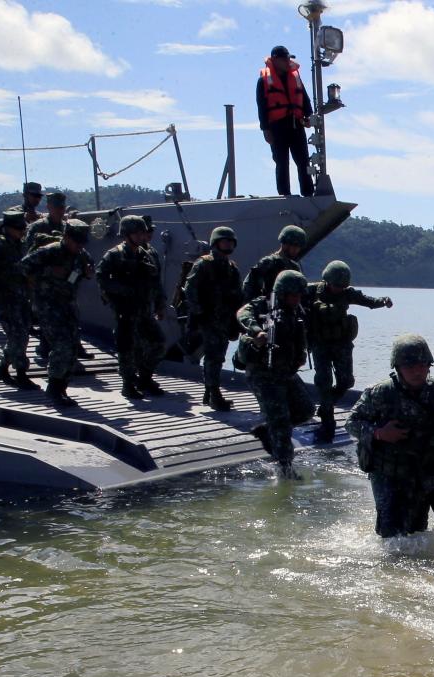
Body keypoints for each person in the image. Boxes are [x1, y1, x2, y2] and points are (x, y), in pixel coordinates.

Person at [347, 335, 434, 537]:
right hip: (388, 473)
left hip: (423, 473)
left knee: (417, 531)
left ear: (429, 365)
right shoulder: (380, 393)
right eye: (410, 366)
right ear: (398, 367)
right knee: (390, 532)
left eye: (422, 365)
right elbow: (352, 423)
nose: (417, 371)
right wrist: (379, 433)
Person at [236, 269, 316, 479]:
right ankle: (285, 469)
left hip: (286, 371)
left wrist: (301, 354)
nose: (297, 298)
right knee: (281, 422)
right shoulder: (263, 305)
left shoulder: (296, 310)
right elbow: (242, 313)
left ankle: (266, 430)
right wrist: (256, 331)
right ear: (282, 292)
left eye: (299, 295)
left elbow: (301, 334)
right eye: (293, 295)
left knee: (306, 410)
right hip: (262, 373)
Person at [305, 259, 393, 442]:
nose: (339, 289)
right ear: (327, 280)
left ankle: (326, 405)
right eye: (337, 285)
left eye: (343, 286)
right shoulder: (312, 291)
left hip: (341, 344)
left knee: (346, 381)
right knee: (324, 382)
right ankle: (327, 421)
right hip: (320, 344)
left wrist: (383, 301)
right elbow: (291, 298)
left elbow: (367, 301)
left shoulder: (347, 293)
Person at [21, 219, 95, 408]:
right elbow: (23, 268)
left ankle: (62, 386)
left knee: (72, 348)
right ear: (66, 237)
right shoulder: (49, 252)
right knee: (61, 344)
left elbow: (90, 267)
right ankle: (53, 387)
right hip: (48, 305)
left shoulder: (81, 254)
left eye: (81, 242)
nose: (79, 245)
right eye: (76, 241)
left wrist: (87, 272)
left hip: (68, 305)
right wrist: (48, 272)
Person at [96, 215, 167, 401]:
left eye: (143, 232)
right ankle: (128, 384)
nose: (142, 236)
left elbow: (156, 281)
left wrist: (160, 304)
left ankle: (144, 377)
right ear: (127, 234)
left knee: (158, 343)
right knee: (127, 347)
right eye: (138, 233)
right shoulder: (114, 255)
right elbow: (101, 277)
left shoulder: (148, 254)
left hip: (145, 309)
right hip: (126, 310)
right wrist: (122, 290)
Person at [183, 226, 246, 411]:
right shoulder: (204, 264)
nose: (228, 244)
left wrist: (237, 319)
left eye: (230, 241)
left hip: (224, 319)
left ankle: (209, 392)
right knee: (213, 356)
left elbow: (238, 295)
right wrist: (199, 312)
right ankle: (214, 394)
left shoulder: (231, 267)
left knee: (218, 356)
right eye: (224, 241)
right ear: (216, 243)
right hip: (209, 318)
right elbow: (190, 289)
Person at [0, 209, 38, 390]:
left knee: (21, 333)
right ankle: (21, 374)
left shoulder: (18, 244)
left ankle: (3, 368)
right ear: (8, 228)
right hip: (6, 297)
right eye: (18, 228)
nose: (22, 231)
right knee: (18, 335)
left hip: (20, 296)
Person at [256, 44, 314, 198]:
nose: (287, 62)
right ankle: (285, 194)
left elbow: (304, 97)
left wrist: (308, 115)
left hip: (296, 124)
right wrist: (265, 129)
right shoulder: (263, 81)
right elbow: (261, 107)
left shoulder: (295, 77)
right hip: (277, 127)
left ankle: (308, 193)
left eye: (288, 58)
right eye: (284, 59)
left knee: (303, 161)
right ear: (275, 60)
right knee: (281, 162)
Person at [244, 225, 306, 302]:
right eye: (294, 245)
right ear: (285, 243)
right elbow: (248, 287)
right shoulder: (268, 263)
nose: (296, 249)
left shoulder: (294, 267)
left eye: (299, 247)